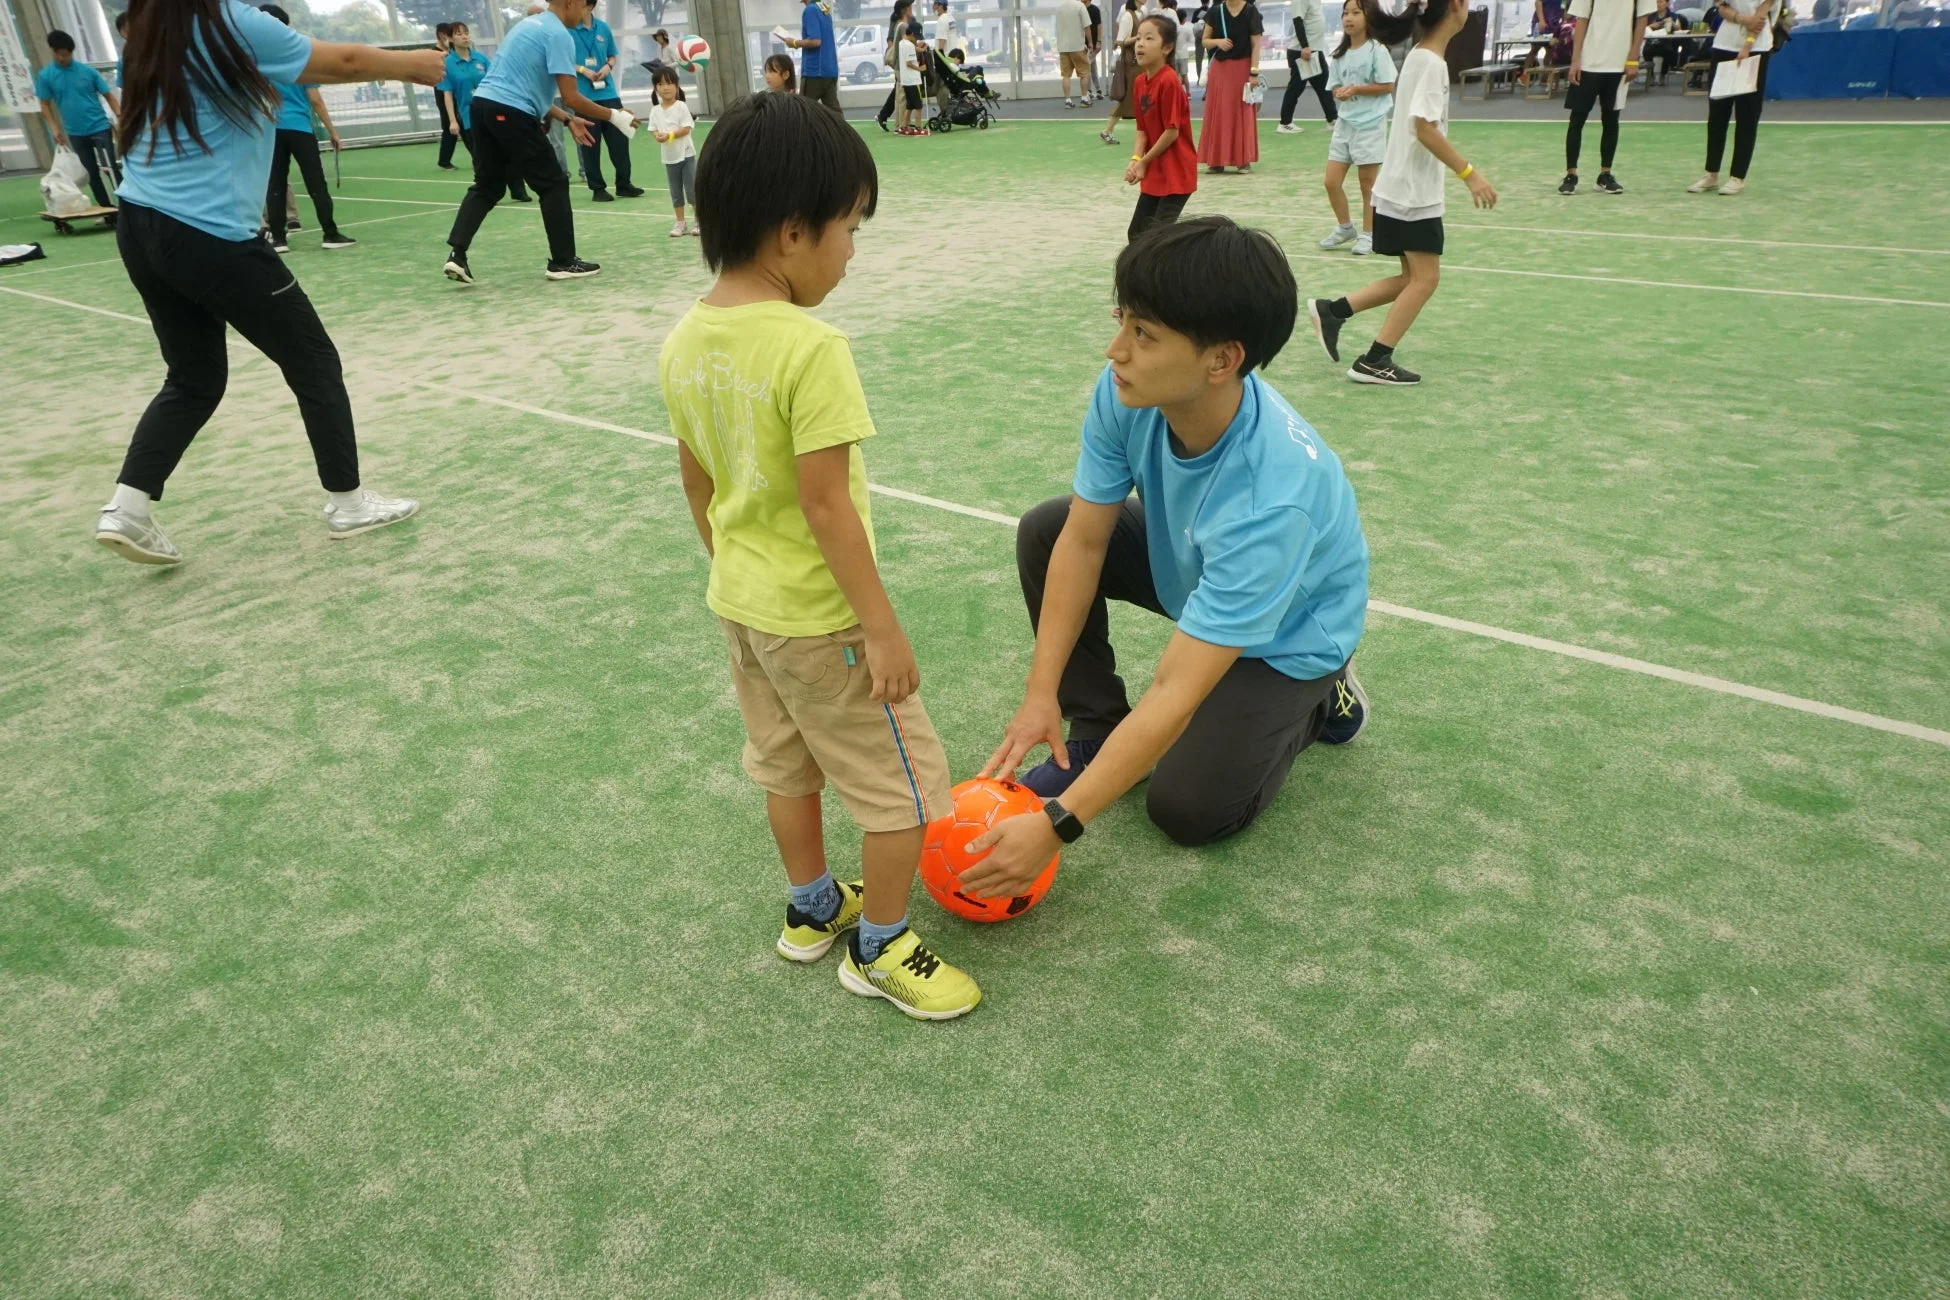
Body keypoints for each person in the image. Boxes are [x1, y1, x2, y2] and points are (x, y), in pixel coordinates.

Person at [660, 92, 981, 1021]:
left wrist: (737, 572)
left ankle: (812, 908)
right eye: (849, 229)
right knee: (906, 788)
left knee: (785, 763)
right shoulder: (811, 346)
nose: (852, 252)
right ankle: (879, 945)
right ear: (792, 233)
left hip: (744, 604)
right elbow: (827, 503)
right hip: (821, 618)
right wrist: (879, 628)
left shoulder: (685, 340)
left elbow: (698, 486)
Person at [966, 216, 1369, 891]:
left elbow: (1177, 688)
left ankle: (1322, 701)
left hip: (1291, 634)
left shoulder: (1274, 497)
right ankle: (1095, 725)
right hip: (1196, 567)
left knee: (1190, 810)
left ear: (1221, 360)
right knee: (1046, 527)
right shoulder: (1129, 390)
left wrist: (1058, 823)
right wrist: (1042, 694)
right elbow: (1084, 538)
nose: (1114, 349)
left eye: (1143, 335)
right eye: (1123, 320)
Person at [94, 0, 441, 566]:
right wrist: (413, 66)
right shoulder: (232, 24)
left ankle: (126, 509)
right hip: (210, 236)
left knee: (194, 378)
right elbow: (347, 61)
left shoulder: (150, 31)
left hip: (140, 224)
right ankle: (349, 503)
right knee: (314, 362)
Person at [1305, 0, 1497, 387]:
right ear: (1455, 8)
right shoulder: (1430, 63)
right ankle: (1375, 359)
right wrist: (1469, 174)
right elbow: (1424, 128)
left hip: (1398, 188)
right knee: (1426, 279)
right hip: (1412, 193)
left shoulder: (1419, 58)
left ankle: (1334, 311)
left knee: (1413, 276)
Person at [441, 0, 631, 285]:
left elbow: (526, 89)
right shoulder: (558, 35)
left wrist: (568, 120)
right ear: (570, 2)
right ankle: (563, 262)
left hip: (483, 109)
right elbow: (571, 97)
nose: (583, 15)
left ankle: (457, 255)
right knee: (552, 182)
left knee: (488, 186)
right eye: (582, 7)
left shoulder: (527, 26)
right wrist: (615, 115)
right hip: (509, 112)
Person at [258, 5, 353, 253]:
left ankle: (279, 239)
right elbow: (315, 99)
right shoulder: (297, 58)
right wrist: (332, 131)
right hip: (300, 129)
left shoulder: (259, 60)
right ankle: (330, 234)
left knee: (275, 183)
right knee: (316, 183)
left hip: (272, 130)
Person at [1316, 1, 1395, 256]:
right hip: (1345, 124)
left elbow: (1387, 85)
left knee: (1367, 184)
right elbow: (1335, 86)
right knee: (1331, 181)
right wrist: (1340, 92)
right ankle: (1345, 227)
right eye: (1345, 13)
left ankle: (1369, 235)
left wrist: (1357, 89)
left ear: (1368, 17)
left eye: (1355, 13)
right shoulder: (1339, 54)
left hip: (1370, 124)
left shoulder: (1377, 50)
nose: (1348, 18)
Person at [1558, 0, 1654, 195]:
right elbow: (1581, 20)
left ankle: (1605, 175)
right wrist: (1576, 60)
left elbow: (1641, 20)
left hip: (1619, 65)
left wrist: (1633, 57)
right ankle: (1571, 175)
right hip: (1588, 63)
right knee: (1577, 120)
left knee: (1611, 120)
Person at [1688, 0, 1775, 195]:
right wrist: (1742, 18)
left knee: (1747, 114)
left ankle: (1738, 177)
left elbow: (1761, 17)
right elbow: (1722, 8)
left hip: (1756, 48)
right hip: (1724, 46)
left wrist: (1746, 47)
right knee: (1717, 112)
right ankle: (1711, 174)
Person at [1124, 14, 1196, 241]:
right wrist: (1136, 160)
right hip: (1154, 170)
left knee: (1159, 238)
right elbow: (1142, 130)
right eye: (1138, 39)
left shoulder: (1169, 81)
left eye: (1148, 38)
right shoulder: (1138, 83)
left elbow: (1171, 132)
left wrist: (1144, 161)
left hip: (1177, 172)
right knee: (1137, 234)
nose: (1140, 44)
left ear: (1167, 48)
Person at [35, 30, 122, 210]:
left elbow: (109, 95)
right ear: (53, 51)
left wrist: (120, 116)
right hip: (75, 131)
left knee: (110, 166)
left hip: (99, 126)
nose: (64, 58)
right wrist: (54, 128)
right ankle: (105, 208)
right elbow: (44, 104)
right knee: (91, 171)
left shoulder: (87, 71)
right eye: (61, 54)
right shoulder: (46, 76)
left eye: (68, 55)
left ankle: (127, 204)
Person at [571, 2, 640, 201]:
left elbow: (613, 55)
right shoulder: (567, 31)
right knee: (590, 144)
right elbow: (563, 60)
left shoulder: (603, 27)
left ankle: (624, 184)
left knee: (620, 139)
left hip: (608, 92)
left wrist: (608, 67)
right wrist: (584, 70)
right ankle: (598, 188)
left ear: (590, 6)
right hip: (583, 96)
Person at [1198, 0, 1262, 174]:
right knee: (1218, 111)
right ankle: (1216, 161)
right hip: (1219, 69)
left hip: (1243, 68)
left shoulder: (1250, 12)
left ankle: (1243, 160)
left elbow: (1256, 44)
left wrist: (1254, 71)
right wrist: (1218, 42)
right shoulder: (1215, 11)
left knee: (1242, 111)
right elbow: (1205, 41)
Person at [647, 66, 698, 235]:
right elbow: (653, 129)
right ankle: (681, 223)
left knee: (692, 191)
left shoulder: (681, 107)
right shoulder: (655, 110)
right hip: (669, 158)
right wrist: (657, 136)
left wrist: (668, 135)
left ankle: (699, 222)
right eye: (661, 84)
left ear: (677, 86)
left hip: (686, 155)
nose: (665, 87)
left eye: (669, 83)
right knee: (676, 192)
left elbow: (686, 129)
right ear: (656, 88)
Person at [1277, 0, 1337, 134]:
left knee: (1324, 86)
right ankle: (1285, 123)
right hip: (1303, 52)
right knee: (1295, 89)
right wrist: (1305, 46)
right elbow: (1298, 21)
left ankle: (1333, 119)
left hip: (1314, 50)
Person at [438, 22, 489, 163]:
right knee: (480, 160)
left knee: (503, 157)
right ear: (450, 38)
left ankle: (516, 185)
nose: (465, 37)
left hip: (490, 113)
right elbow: (447, 94)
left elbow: (494, 82)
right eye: (459, 34)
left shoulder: (481, 58)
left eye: (466, 33)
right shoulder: (447, 64)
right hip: (468, 116)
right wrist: (453, 121)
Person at [783, 0, 841, 114]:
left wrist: (794, 43)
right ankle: (843, 132)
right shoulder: (823, 9)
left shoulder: (810, 10)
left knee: (803, 112)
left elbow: (815, 41)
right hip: (830, 70)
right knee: (835, 114)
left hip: (814, 71)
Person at [1100, 0, 1140, 144]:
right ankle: (1107, 130)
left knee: (1133, 98)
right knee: (1130, 98)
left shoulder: (1136, 14)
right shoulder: (1128, 16)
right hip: (1131, 62)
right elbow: (1120, 41)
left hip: (1135, 62)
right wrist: (1138, 37)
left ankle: (1108, 131)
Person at [875, 0, 916, 131]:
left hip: (900, 65)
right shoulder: (902, 25)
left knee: (899, 95)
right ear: (904, 9)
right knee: (902, 96)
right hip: (902, 65)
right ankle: (901, 124)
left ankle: (899, 123)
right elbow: (901, 44)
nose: (912, 8)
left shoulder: (901, 23)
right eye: (910, 6)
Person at [1056, 0, 1092, 107]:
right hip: (1077, 46)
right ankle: (1084, 98)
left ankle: (1067, 100)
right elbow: (1087, 26)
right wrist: (1090, 42)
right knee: (1084, 73)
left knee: (1066, 75)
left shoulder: (1059, 7)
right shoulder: (1080, 6)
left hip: (1063, 47)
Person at [432, 22, 458, 168]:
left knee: (467, 128)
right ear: (441, 35)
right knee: (449, 127)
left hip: (458, 92)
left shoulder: (454, 51)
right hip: (443, 94)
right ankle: (444, 160)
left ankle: (478, 158)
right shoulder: (434, 53)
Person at [895, 25, 927, 133]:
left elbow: (912, 49)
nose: (917, 40)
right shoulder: (909, 45)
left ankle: (903, 127)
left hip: (906, 80)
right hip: (913, 80)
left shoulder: (902, 43)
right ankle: (918, 127)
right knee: (918, 106)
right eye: (916, 37)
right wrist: (919, 68)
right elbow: (908, 63)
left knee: (909, 105)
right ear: (912, 34)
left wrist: (921, 49)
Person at [1086, 0, 1104, 99]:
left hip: (1093, 43)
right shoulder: (1080, 9)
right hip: (1084, 44)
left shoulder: (1094, 9)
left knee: (1086, 66)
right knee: (1092, 67)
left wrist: (1098, 41)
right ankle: (1098, 90)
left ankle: (1088, 90)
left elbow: (1099, 26)